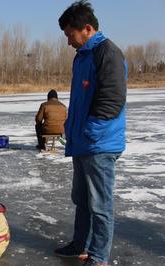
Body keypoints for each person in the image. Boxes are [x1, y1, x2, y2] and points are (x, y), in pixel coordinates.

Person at [55, 1, 127, 266]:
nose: (68, 41)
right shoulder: (81, 57)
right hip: (83, 142)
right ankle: (80, 245)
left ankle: (98, 256)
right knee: (82, 200)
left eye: (69, 35)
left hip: (99, 144)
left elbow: (112, 99)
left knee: (100, 204)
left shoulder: (108, 53)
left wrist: (90, 131)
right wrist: (72, 128)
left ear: (86, 29)